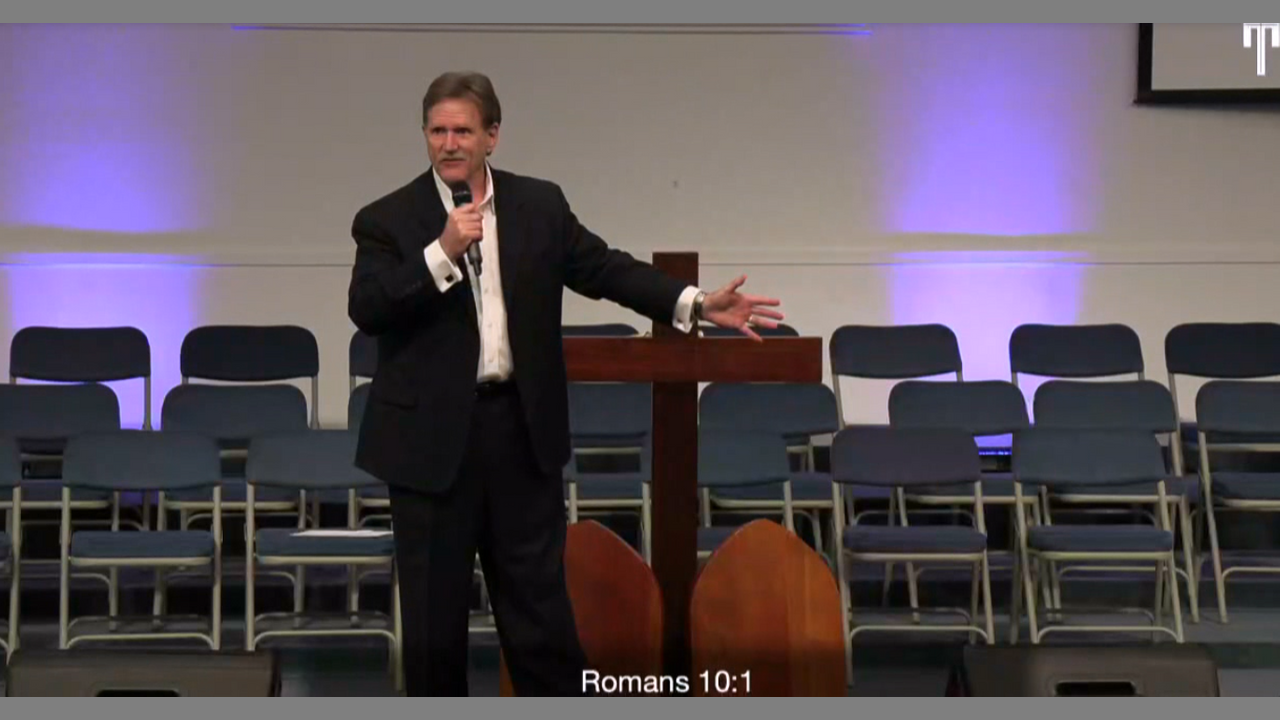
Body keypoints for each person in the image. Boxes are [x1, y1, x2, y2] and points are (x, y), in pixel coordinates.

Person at [347, 70, 785, 697]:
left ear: (492, 136)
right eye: (437, 131)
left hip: (519, 434)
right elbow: (368, 307)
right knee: (432, 630)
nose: (449, 144)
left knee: (541, 620)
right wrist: (441, 251)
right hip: (428, 447)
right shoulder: (386, 219)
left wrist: (693, 302)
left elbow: (604, 269)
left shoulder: (539, 206)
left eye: (462, 131)